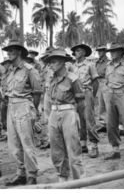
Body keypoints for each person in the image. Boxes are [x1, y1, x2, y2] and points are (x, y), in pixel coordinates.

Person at [2, 40, 42, 186]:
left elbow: (37, 92)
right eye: (8, 51)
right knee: (13, 144)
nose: (9, 53)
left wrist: (32, 110)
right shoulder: (10, 70)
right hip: (11, 106)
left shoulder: (30, 69)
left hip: (24, 106)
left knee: (26, 143)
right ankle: (21, 173)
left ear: (19, 52)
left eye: (12, 50)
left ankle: (31, 175)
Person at [45, 49, 85, 182]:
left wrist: (77, 118)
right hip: (54, 113)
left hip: (69, 113)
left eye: (54, 62)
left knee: (73, 149)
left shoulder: (73, 79)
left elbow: (80, 102)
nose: (51, 65)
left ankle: (79, 181)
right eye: (50, 62)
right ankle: (62, 178)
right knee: (56, 150)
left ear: (62, 62)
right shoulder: (51, 79)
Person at [71, 44, 100, 158]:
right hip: (76, 95)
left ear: (83, 52)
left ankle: (94, 146)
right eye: (75, 51)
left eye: (78, 51)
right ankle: (83, 144)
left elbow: (95, 81)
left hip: (87, 92)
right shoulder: (73, 66)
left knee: (89, 120)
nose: (75, 53)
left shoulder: (90, 65)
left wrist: (91, 95)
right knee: (79, 121)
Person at [95, 46, 110, 130]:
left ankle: (111, 123)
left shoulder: (108, 62)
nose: (99, 52)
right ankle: (103, 124)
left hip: (106, 82)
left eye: (101, 51)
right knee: (101, 104)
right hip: (98, 82)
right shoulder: (97, 62)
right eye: (98, 51)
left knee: (108, 103)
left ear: (105, 51)